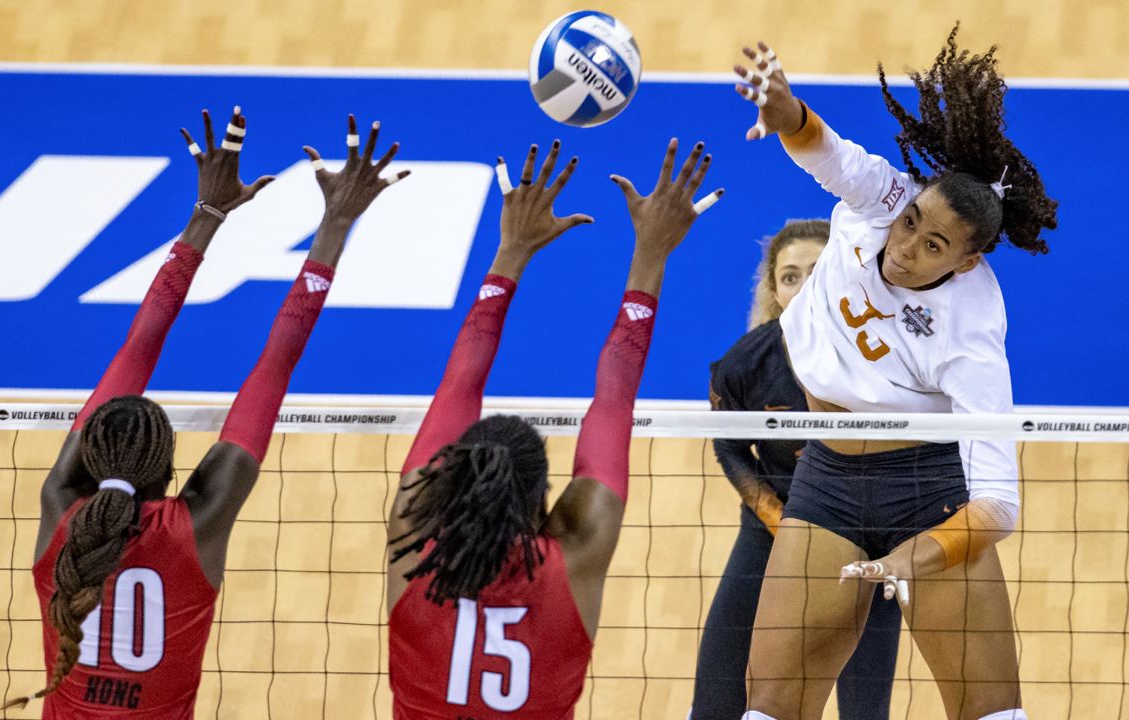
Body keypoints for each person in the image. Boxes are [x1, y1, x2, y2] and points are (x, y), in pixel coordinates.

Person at [9, 111, 406, 718]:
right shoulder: (179, 525)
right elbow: (276, 363)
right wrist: (334, 224)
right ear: (170, 466)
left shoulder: (63, 509)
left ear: (86, 455)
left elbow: (138, 350)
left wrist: (208, 214)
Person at [729, 25, 1057, 720]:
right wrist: (782, 109)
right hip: (827, 482)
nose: (905, 247)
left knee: (994, 712)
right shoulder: (879, 203)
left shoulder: (972, 328)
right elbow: (822, 149)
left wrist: (918, 558)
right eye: (912, 223)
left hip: (929, 493)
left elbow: (999, 502)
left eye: (932, 243)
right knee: (767, 708)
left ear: (965, 261)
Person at [386, 138, 723, 718]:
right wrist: (651, 254)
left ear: (446, 481)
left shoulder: (413, 533)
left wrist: (509, 254)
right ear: (546, 494)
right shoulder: (578, 550)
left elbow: (459, 381)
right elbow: (613, 400)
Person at [691, 220, 902, 720]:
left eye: (817, 271)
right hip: (775, 526)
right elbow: (730, 446)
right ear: (774, 291)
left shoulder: (891, 358)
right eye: (789, 277)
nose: (803, 286)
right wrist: (777, 519)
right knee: (716, 697)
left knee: (865, 709)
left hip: (869, 535)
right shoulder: (744, 364)